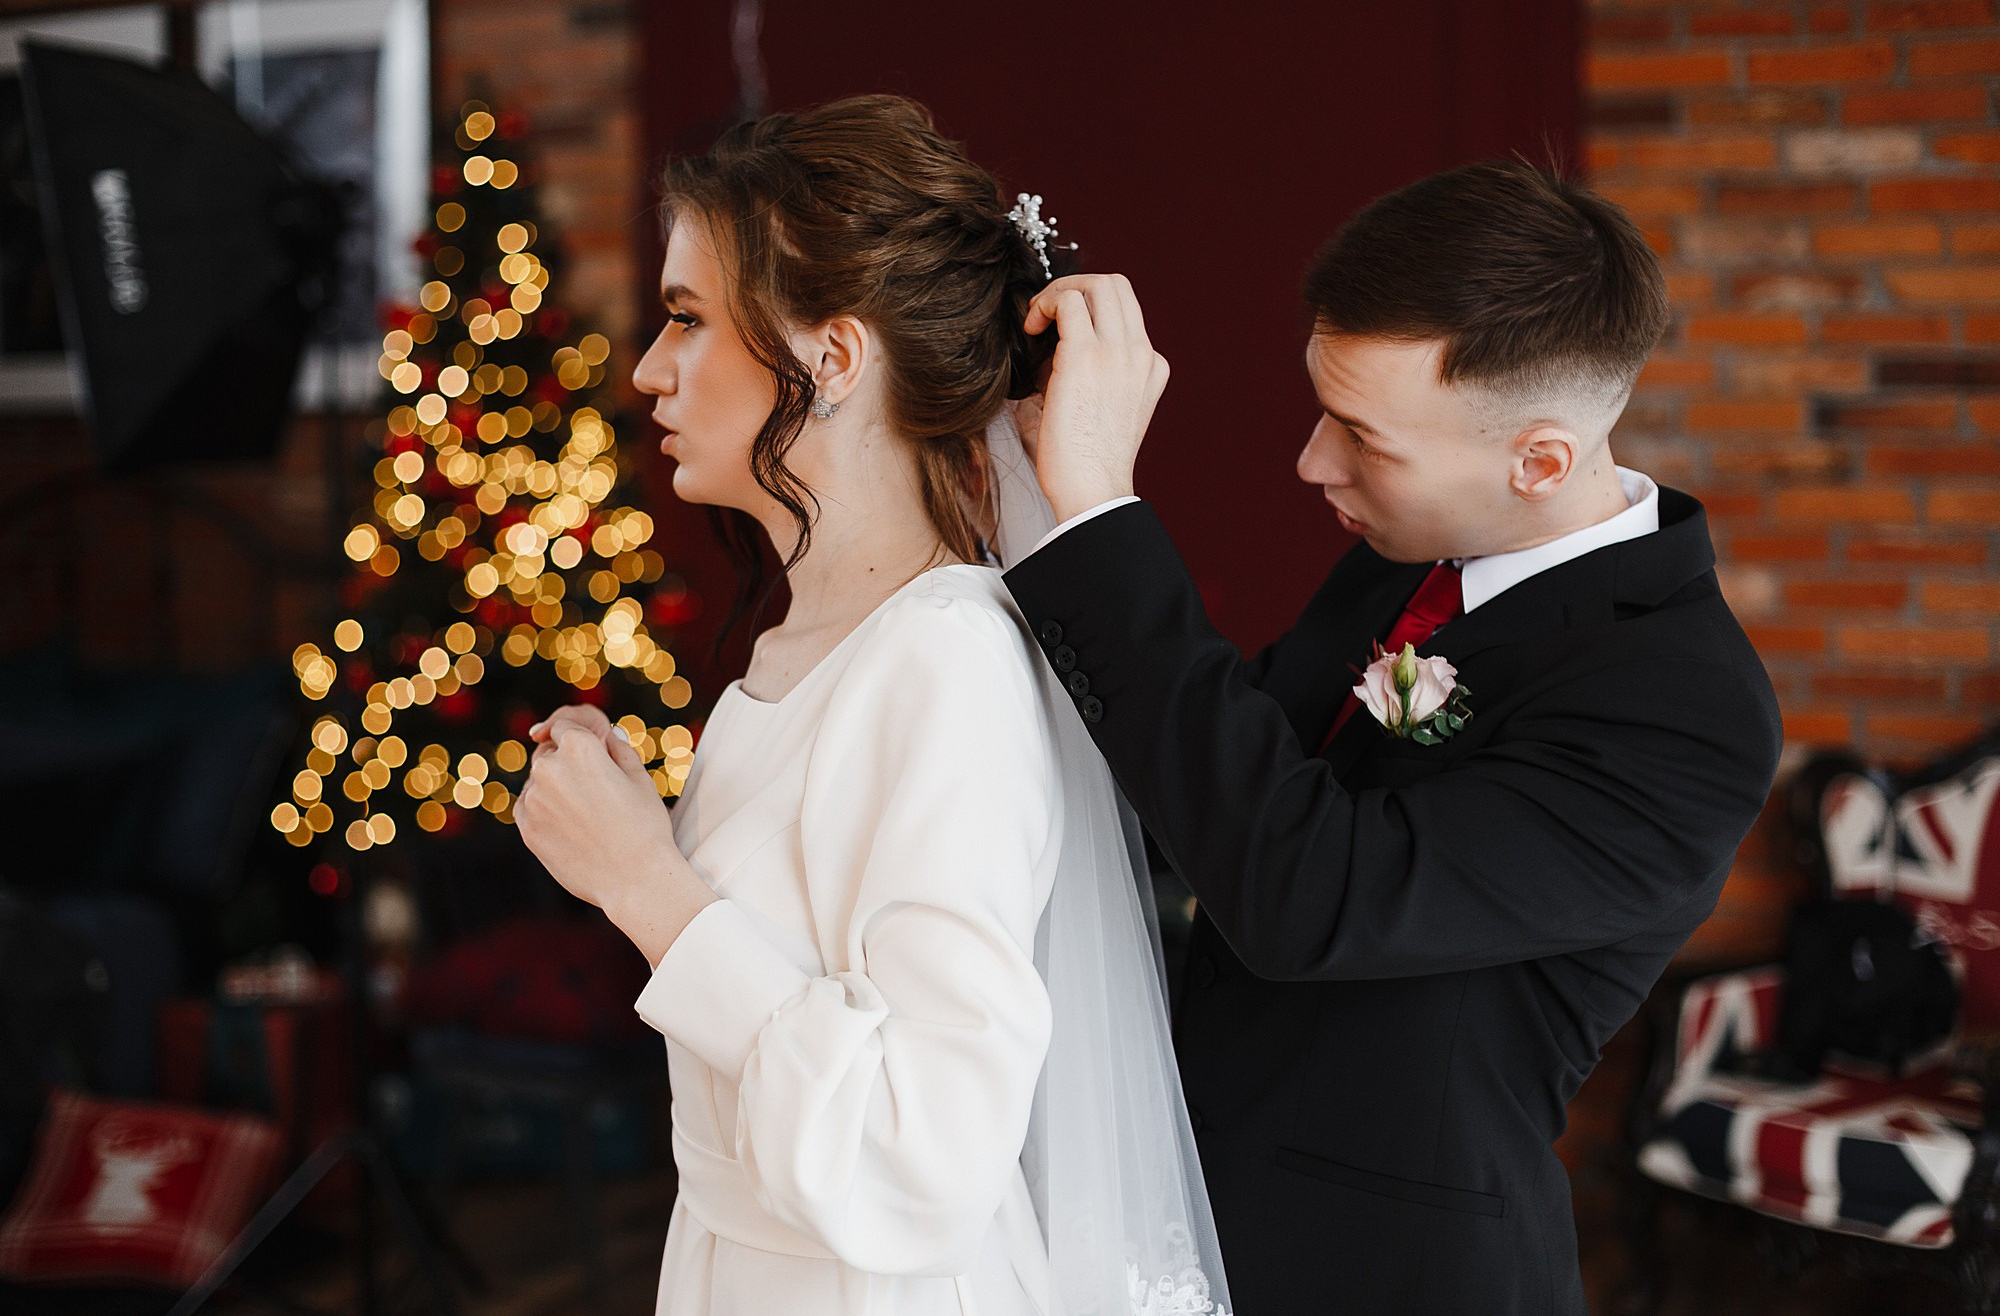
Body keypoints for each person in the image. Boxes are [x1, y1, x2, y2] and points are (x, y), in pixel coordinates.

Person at [1003, 161, 1784, 1314]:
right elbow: (1214, 783)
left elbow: (1304, 891)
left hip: (1377, 1267)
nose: (1313, 461)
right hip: (1164, 1210)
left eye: (1361, 434)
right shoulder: (1412, 558)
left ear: (1539, 462)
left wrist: (1099, 513)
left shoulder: (1683, 706)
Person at [512, 96, 1229, 1316]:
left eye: (686, 319)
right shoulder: (793, 649)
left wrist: (644, 883)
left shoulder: (944, 665)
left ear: (830, 358)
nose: (647, 369)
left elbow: (924, 1152)